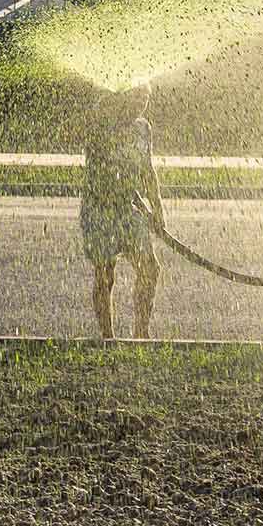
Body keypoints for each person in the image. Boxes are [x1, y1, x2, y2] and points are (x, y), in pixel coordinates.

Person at [81, 79, 164, 339]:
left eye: (145, 100)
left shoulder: (143, 129)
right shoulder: (100, 123)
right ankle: (108, 337)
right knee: (105, 274)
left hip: (128, 208)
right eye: (136, 99)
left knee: (149, 269)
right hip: (99, 209)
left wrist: (158, 207)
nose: (141, 106)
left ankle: (142, 333)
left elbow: (147, 170)